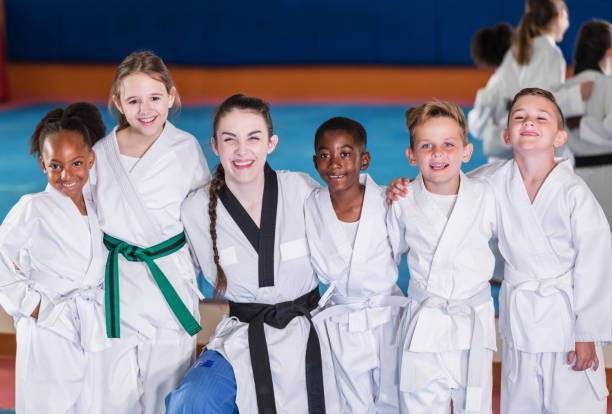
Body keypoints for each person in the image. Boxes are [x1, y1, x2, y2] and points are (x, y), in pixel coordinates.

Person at [166, 94, 340, 413]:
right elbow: (176, 275)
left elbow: (350, 243)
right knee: (193, 399)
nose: (242, 150)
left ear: (271, 143)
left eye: (253, 138)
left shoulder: (301, 190)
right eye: (229, 139)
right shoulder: (195, 209)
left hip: (311, 330)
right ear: (215, 146)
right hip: (242, 336)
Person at [471, 88, 611, 413]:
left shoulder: (573, 193)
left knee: (573, 400)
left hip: (566, 322)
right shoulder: (492, 181)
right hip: (520, 317)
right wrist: (403, 189)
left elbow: (597, 262)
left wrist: (587, 333)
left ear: (559, 136)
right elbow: (449, 189)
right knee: (521, 399)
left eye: (540, 117)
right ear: (507, 134)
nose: (528, 122)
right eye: (519, 117)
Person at [88, 51, 210, 413]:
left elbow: (202, 218)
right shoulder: (100, 153)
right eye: (134, 100)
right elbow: (89, 220)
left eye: (155, 98)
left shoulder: (185, 148)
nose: (146, 109)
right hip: (115, 290)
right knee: (112, 394)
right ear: (117, 104)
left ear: (171, 96)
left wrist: (201, 271)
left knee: (166, 390)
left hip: (168, 283)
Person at [387, 101, 498, 414]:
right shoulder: (402, 200)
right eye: (427, 146)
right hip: (424, 325)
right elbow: (387, 260)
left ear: (466, 151)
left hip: (472, 323)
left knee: (475, 408)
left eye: (449, 144)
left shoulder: (485, 195)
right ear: (411, 155)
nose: (438, 154)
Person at [0, 103, 108, 413]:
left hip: (93, 323)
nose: (67, 175)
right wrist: (32, 305)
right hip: (49, 324)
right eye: (55, 165)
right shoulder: (32, 207)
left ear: (91, 159)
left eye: (76, 163)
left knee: (91, 403)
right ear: (42, 165)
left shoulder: (100, 205)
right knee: (48, 404)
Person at [305, 117, 403, 413]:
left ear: (365, 160)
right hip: (341, 322)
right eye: (325, 155)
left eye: (345, 154)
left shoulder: (389, 201)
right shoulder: (310, 205)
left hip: (387, 317)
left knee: (395, 399)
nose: (335, 163)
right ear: (315, 161)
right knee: (350, 404)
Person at [468, 0, 592, 162]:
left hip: (505, 154)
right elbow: (541, 102)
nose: (568, 22)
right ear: (558, 18)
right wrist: (578, 93)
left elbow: (485, 112)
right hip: (528, 156)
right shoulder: (549, 53)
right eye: (566, 15)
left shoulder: (517, 51)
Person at [561, 19, 612, 224]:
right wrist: (586, 126)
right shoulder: (609, 85)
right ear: (609, 53)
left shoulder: (563, 90)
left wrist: (582, 126)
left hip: (576, 180)